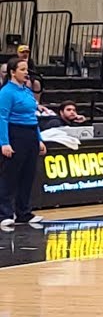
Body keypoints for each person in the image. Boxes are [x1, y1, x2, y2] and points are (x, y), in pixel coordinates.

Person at [0, 58, 46, 229]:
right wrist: (4, 143)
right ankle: (4, 214)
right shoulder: (6, 92)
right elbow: (2, 118)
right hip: (15, 133)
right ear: (13, 72)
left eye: (26, 69)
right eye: (22, 69)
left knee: (28, 175)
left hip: (30, 134)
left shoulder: (27, 91)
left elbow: (32, 117)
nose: (26, 72)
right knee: (9, 176)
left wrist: (39, 139)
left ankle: (24, 212)